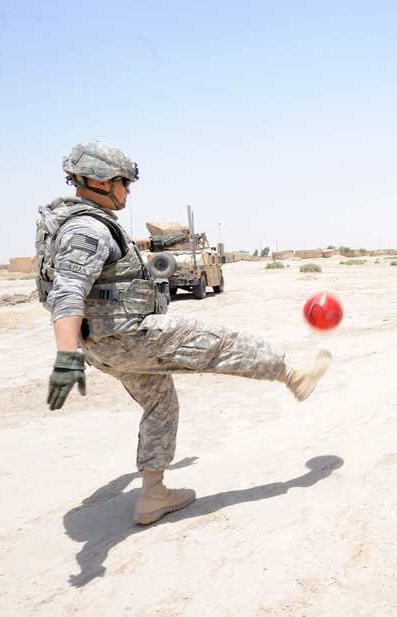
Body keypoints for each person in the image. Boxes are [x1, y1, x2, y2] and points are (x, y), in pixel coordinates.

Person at [36, 141, 332, 525]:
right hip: (130, 336)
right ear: (100, 181)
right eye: (124, 182)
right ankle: (294, 377)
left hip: (104, 347)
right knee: (222, 342)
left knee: (160, 403)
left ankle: (153, 494)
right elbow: (68, 291)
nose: (128, 191)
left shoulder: (71, 223)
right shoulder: (87, 229)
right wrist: (65, 358)